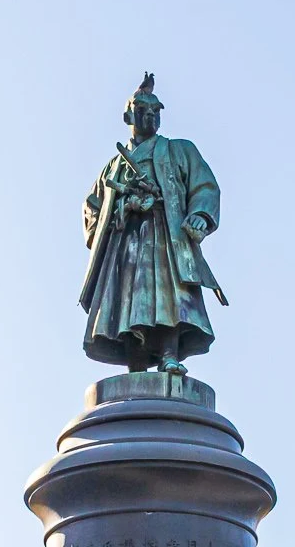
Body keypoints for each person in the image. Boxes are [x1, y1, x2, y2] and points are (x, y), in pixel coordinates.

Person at [79, 75, 226, 374]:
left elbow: (205, 186)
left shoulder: (179, 150)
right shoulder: (114, 166)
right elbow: (92, 208)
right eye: (143, 109)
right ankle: (136, 365)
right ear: (128, 115)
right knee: (128, 301)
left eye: (156, 110)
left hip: (165, 232)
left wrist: (200, 214)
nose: (150, 115)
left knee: (168, 294)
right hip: (126, 240)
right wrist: (122, 206)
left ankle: (170, 355)